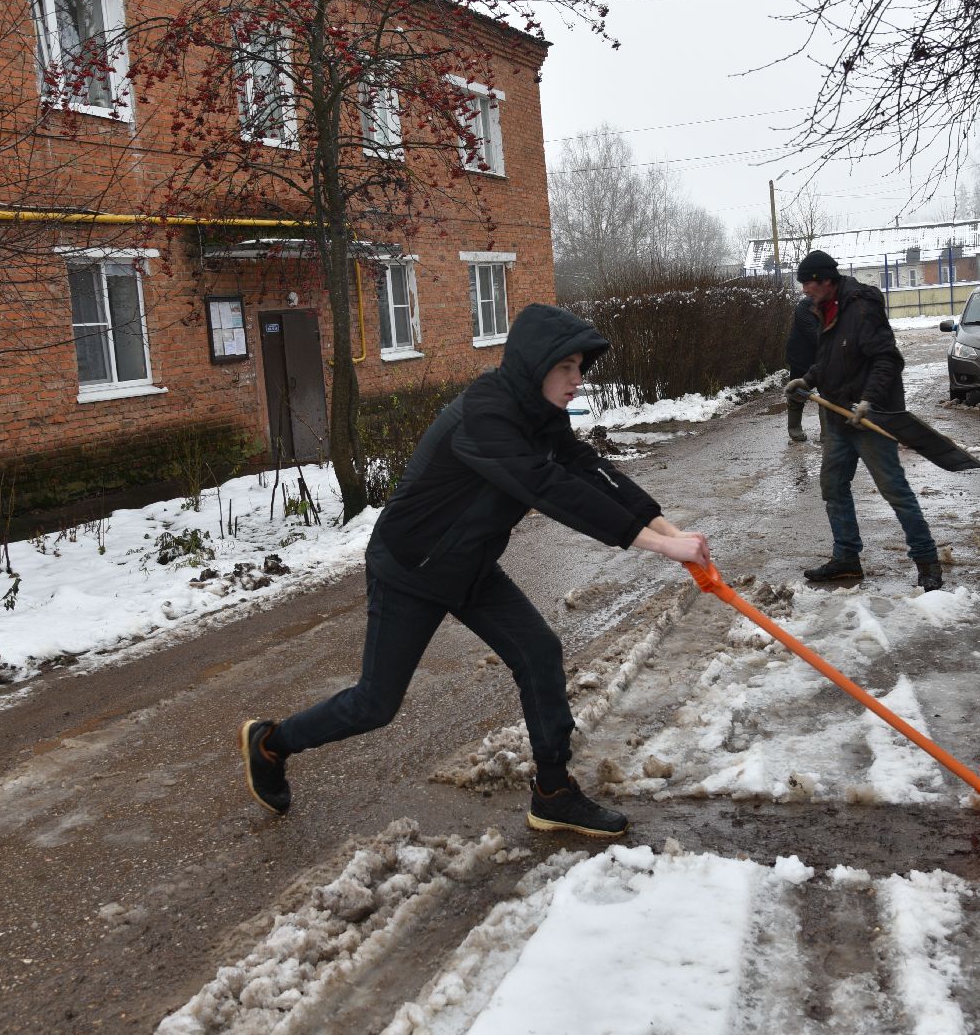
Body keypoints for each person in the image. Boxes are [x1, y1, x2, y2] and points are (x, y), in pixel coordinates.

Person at [240, 303, 711, 838]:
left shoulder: (542, 416)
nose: (578, 381)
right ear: (537, 365)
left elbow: (585, 469)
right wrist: (655, 546)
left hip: (471, 565)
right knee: (375, 704)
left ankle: (554, 792)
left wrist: (668, 529)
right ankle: (271, 742)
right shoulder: (483, 418)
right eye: (567, 367)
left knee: (539, 654)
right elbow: (547, 488)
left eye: (581, 368)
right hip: (411, 570)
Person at [782, 250, 943, 591]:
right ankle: (846, 559)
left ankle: (927, 561)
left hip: (871, 416)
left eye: (807, 283)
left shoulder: (862, 308)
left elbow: (888, 359)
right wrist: (808, 380)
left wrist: (869, 399)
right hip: (840, 416)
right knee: (833, 486)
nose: (804, 291)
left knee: (894, 490)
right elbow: (830, 358)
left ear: (826, 280)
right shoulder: (825, 308)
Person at [784, 277, 820, 442]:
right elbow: (815, 336)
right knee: (798, 393)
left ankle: (827, 433)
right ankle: (794, 428)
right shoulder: (804, 308)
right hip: (801, 358)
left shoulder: (832, 306)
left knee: (827, 394)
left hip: (821, 358)